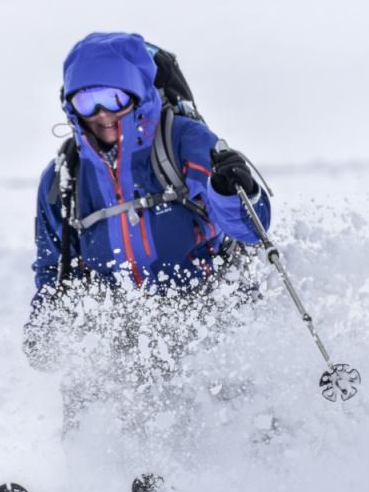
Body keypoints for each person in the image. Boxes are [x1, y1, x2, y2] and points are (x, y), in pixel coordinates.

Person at [23, 31, 272, 391]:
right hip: (124, 342)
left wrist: (233, 190)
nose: (102, 113)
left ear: (138, 93)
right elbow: (54, 267)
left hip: (213, 323)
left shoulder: (184, 141)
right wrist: (48, 322)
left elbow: (252, 229)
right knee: (91, 421)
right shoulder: (64, 178)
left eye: (113, 97)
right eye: (86, 102)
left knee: (236, 422)